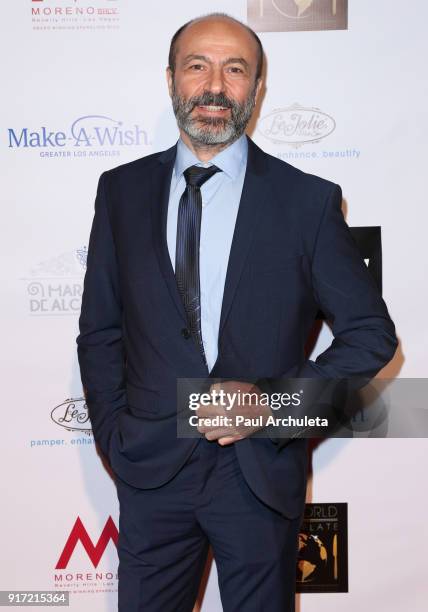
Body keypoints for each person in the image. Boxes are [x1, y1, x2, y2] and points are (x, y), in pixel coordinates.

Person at [76, 12, 397, 612]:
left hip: (257, 474)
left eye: (235, 69)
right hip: (150, 468)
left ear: (257, 87)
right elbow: (99, 330)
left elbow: (371, 336)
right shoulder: (119, 192)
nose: (215, 86)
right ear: (172, 78)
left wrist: (274, 406)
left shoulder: (307, 201)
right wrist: (115, 439)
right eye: (198, 66)